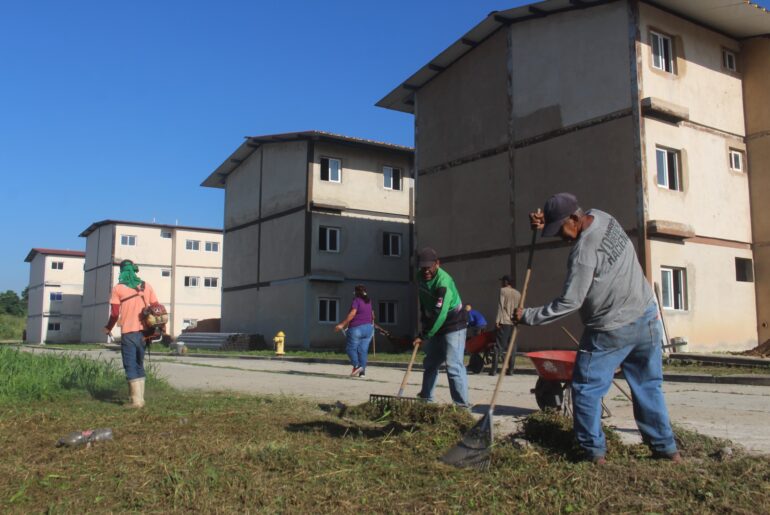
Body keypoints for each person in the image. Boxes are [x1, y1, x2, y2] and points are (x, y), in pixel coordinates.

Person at [513, 193, 680, 464]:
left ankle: (593, 453)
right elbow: (572, 226)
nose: (560, 237)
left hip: (610, 329)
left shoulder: (582, 254)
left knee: (586, 389)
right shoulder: (604, 217)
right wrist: (547, 223)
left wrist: (529, 316)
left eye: (560, 230)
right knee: (648, 386)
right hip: (647, 315)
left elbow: (570, 302)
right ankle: (667, 450)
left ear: (575, 218)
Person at [413, 247, 470, 408]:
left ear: (437, 264)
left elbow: (440, 313)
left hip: (454, 323)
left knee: (453, 365)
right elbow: (424, 302)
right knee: (430, 363)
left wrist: (425, 335)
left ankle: (461, 407)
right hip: (435, 323)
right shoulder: (420, 277)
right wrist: (424, 321)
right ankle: (426, 400)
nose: (426, 271)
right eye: (422, 268)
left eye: (429, 267)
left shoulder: (443, 282)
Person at [104, 259, 158, 408]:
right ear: (134, 271)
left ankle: (135, 401)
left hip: (129, 332)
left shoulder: (118, 289)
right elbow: (156, 307)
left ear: (122, 272)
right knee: (139, 363)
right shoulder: (146, 286)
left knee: (130, 365)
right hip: (145, 333)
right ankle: (140, 398)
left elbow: (115, 314)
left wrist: (108, 327)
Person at [335, 284, 374, 378]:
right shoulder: (369, 301)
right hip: (369, 329)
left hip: (357, 328)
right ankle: (362, 372)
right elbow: (373, 315)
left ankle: (357, 366)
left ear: (356, 292)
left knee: (350, 349)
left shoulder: (356, 300)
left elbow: (353, 313)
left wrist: (342, 324)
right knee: (363, 351)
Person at [494, 275, 521, 376]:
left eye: (502, 281)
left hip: (504, 321)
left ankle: (494, 370)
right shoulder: (518, 293)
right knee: (512, 347)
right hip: (514, 323)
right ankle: (511, 370)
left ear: (506, 282)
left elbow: (500, 306)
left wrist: (497, 320)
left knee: (498, 346)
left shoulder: (503, 291)